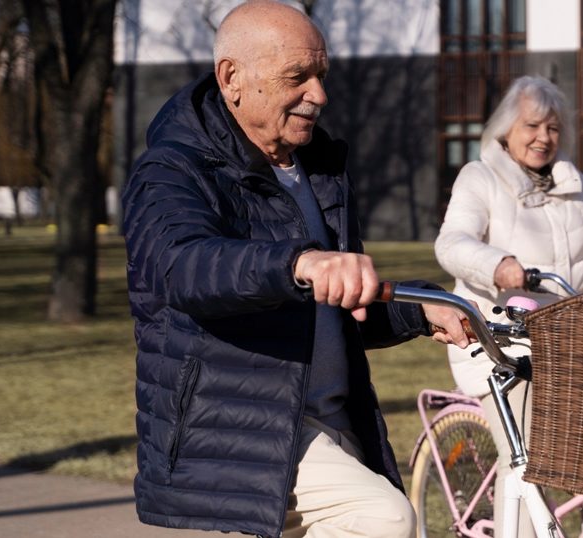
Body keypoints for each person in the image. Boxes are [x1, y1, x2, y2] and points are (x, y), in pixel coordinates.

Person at [121, 2, 470, 537]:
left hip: (330, 415)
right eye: (297, 77)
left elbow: (333, 307)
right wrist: (299, 262)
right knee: (383, 519)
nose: (319, 95)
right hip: (237, 425)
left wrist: (420, 311)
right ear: (232, 78)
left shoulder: (317, 168)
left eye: (321, 75)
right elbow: (181, 268)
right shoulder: (172, 169)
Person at [434, 75, 583, 537]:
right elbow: (452, 242)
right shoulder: (480, 178)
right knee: (523, 462)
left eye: (553, 128)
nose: (543, 138)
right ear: (506, 129)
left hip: (569, 341)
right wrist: (497, 264)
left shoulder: (571, 182)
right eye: (532, 126)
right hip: (499, 343)